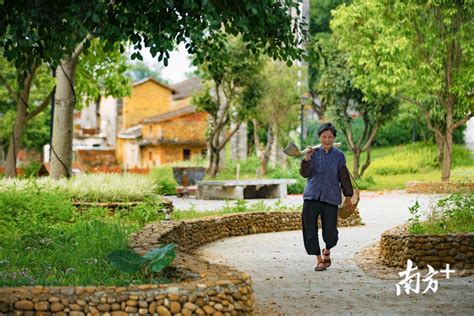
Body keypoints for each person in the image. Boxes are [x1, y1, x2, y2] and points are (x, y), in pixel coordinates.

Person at [299, 122, 354, 271]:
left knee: (330, 232)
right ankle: (318, 259)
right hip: (312, 196)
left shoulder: (339, 156)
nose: (327, 139)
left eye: (330, 137)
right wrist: (306, 159)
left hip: (331, 197)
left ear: (334, 138)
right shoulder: (313, 153)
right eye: (324, 137)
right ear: (319, 137)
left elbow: (343, 176)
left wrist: (348, 196)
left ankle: (327, 250)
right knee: (309, 229)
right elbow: (305, 174)